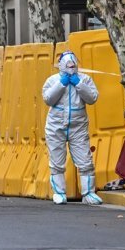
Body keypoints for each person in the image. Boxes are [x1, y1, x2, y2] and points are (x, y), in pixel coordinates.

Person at [42, 50, 103, 205]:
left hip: (78, 126)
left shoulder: (85, 79)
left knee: (85, 160)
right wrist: (61, 84)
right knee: (57, 160)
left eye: (73, 64)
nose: (70, 66)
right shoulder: (52, 80)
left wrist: (79, 84)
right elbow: (48, 99)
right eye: (67, 64)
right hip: (56, 126)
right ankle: (59, 192)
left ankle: (88, 193)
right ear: (61, 65)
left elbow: (92, 98)